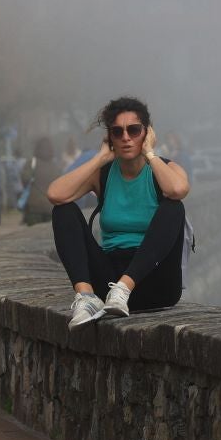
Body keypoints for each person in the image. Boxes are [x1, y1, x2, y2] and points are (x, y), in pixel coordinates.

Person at [47, 95, 190, 329]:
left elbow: (178, 189)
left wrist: (150, 154)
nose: (125, 137)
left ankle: (125, 287)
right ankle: (86, 298)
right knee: (63, 211)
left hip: (155, 284)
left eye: (134, 130)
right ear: (109, 137)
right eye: (117, 132)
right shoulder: (103, 174)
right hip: (109, 283)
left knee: (174, 206)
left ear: (147, 133)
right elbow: (55, 194)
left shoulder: (165, 170)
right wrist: (100, 158)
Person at [20, 137, 63, 227]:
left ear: (37, 148)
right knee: (49, 236)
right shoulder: (55, 166)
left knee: (34, 235)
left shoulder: (32, 163)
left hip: (34, 207)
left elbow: (25, 180)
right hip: (51, 206)